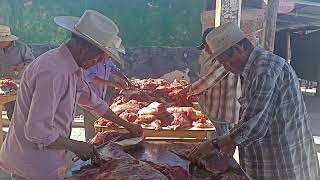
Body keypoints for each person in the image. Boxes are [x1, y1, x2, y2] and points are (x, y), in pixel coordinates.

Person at [0, 10, 143, 180]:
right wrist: (77, 146)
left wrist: (127, 125)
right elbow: (37, 131)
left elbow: (93, 101)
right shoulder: (53, 71)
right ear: (85, 49)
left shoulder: (71, 67)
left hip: (48, 160)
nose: (96, 64)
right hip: (34, 164)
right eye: (98, 59)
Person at [189, 22, 319, 179]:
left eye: (225, 62)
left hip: (282, 162)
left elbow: (254, 125)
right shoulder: (253, 68)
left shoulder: (265, 69)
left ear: (238, 49)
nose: (227, 68)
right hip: (264, 157)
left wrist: (214, 144)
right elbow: (250, 113)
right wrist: (230, 142)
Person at [186, 28, 241, 137]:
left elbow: (207, 81)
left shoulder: (224, 59)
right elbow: (213, 83)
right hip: (220, 113)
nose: (205, 50)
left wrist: (187, 91)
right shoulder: (219, 59)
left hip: (223, 114)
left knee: (220, 147)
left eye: (206, 46)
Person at [83, 57, 132, 140]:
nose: (110, 56)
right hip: (88, 98)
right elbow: (91, 78)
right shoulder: (92, 60)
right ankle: (90, 146)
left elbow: (114, 69)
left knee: (99, 123)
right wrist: (113, 83)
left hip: (100, 97)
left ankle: (99, 143)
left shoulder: (107, 59)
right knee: (91, 126)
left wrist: (126, 79)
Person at [0, 25, 35, 121]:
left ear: (8, 40)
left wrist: (22, 65)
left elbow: (32, 63)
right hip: (3, 85)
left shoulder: (22, 47)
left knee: (19, 112)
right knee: (10, 111)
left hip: (18, 85)